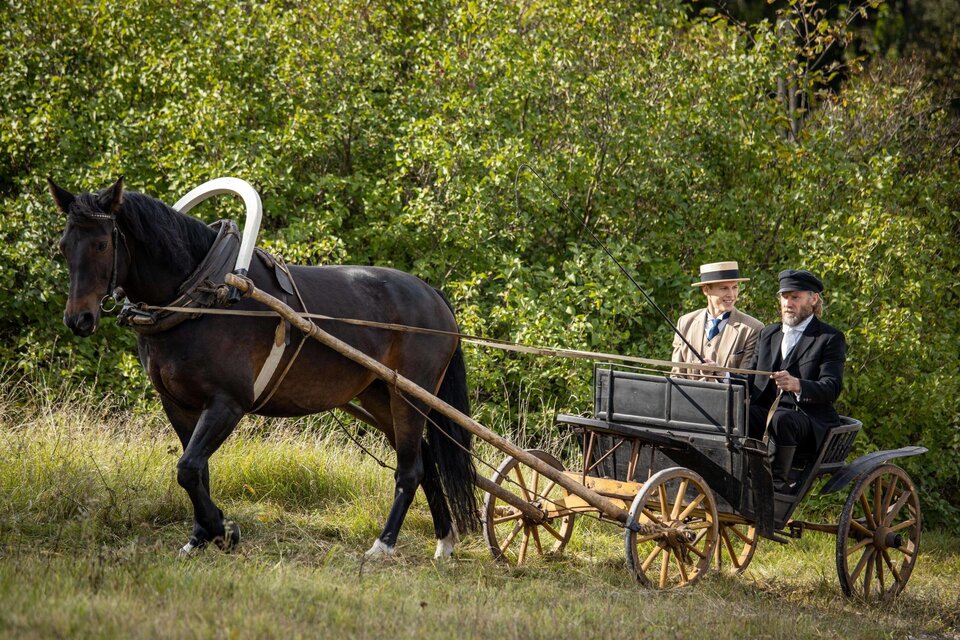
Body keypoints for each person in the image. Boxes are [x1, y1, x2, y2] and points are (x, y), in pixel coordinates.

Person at [744, 269, 846, 492]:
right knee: (739, 413)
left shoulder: (829, 338)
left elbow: (832, 387)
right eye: (784, 297)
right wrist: (722, 377)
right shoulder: (768, 334)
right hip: (768, 413)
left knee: (781, 419)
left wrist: (797, 385)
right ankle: (739, 473)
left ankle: (775, 485)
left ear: (813, 299)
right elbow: (748, 376)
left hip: (807, 419)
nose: (788, 303)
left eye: (795, 297)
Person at [672, 261, 764, 381]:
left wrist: (721, 375)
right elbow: (676, 375)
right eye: (724, 288)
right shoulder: (685, 323)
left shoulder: (752, 329)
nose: (731, 294)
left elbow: (746, 381)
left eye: (735, 287)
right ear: (706, 290)